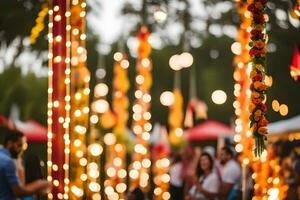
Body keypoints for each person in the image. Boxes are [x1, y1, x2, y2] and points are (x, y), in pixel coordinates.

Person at [0, 128, 49, 199]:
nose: (21, 150)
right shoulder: (9, 162)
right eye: (19, 145)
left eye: (23, 146)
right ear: (9, 143)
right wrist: (39, 185)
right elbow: (18, 192)